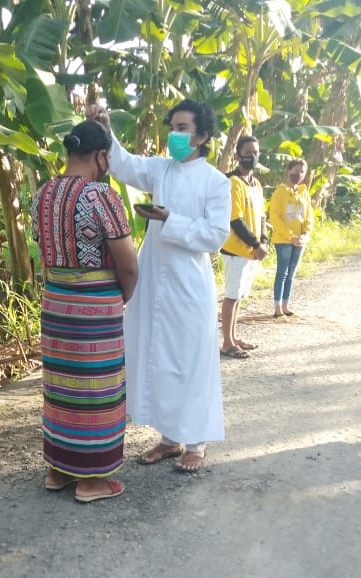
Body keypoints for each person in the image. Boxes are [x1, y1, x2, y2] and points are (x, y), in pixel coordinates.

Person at [87, 100, 232, 473]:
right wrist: (105, 129)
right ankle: (169, 440)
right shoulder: (161, 170)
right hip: (154, 280)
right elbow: (125, 164)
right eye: (173, 126)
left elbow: (215, 236)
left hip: (189, 285)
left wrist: (171, 219)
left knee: (189, 361)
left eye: (182, 128)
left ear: (201, 136)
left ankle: (196, 443)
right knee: (160, 358)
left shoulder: (215, 182)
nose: (175, 134)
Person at [31, 120, 139, 502]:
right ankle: (92, 479)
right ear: (102, 156)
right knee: (97, 388)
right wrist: (120, 297)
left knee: (62, 385)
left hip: (56, 300)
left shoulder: (43, 192)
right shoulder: (101, 196)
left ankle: (59, 469)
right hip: (95, 304)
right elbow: (127, 263)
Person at [220, 135, 267, 358]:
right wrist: (255, 243)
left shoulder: (256, 184)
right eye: (248, 152)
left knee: (238, 296)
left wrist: (264, 241)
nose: (253, 156)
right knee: (231, 296)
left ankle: (234, 336)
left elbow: (261, 217)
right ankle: (227, 343)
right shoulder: (233, 183)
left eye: (256, 152)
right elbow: (235, 219)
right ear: (238, 155)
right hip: (236, 249)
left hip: (251, 251)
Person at [268, 158, 314, 318]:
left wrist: (304, 235)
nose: (298, 174)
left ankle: (286, 305)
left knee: (292, 273)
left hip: (300, 241)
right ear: (288, 172)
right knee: (282, 272)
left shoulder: (304, 193)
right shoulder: (279, 193)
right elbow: (274, 217)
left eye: (302, 172)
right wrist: (290, 236)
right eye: (295, 171)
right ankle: (277, 307)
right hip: (283, 240)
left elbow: (309, 217)